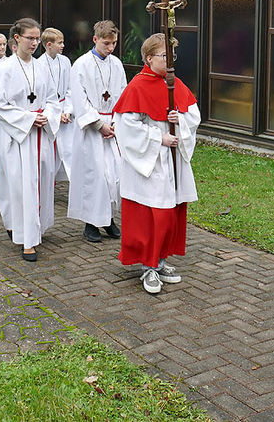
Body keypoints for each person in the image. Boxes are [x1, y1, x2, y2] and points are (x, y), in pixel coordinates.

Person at [113, 33, 200, 295]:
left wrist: (179, 119)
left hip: (171, 161)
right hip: (149, 162)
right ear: (150, 58)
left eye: (173, 55)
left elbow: (193, 116)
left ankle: (160, 261)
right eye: (165, 56)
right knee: (151, 215)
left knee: (169, 212)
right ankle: (147, 267)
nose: (170, 61)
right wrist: (158, 137)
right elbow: (126, 126)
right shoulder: (137, 86)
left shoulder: (175, 83)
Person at [0, 18, 60, 262]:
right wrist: (29, 119)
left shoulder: (41, 67)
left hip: (40, 136)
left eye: (37, 38)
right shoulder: (5, 69)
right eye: (30, 38)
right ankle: (26, 238)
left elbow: (53, 98)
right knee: (21, 187)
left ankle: (36, 227)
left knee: (39, 183)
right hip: (19, 138)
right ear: (17, 38)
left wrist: (47, 115)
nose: (35, 43)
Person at [67, 20, 127, 243]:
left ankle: (108, 218)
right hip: (92, 129)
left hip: (113, 125)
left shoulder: (117, 64)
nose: (110, 48)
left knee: (114, 175)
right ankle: (91, 223)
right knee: (96, 176)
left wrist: (117, 122)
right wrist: (98, 124)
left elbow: (123, 93)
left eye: (113, 44)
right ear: (95, 39)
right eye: (106, 43)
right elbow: (79, 99)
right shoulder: (81, 65)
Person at [39, 27, 74, 183]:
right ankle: (46, 184)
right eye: (60, 43)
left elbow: (70, 88)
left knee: (69, 151)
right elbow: (41, 95)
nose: (63, 46)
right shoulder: (39, 64)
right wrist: (55, 114)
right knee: (49, 154)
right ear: (49, 44)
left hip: (65, 109)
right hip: (50, 111)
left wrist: (67, 110)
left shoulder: (65, 61)